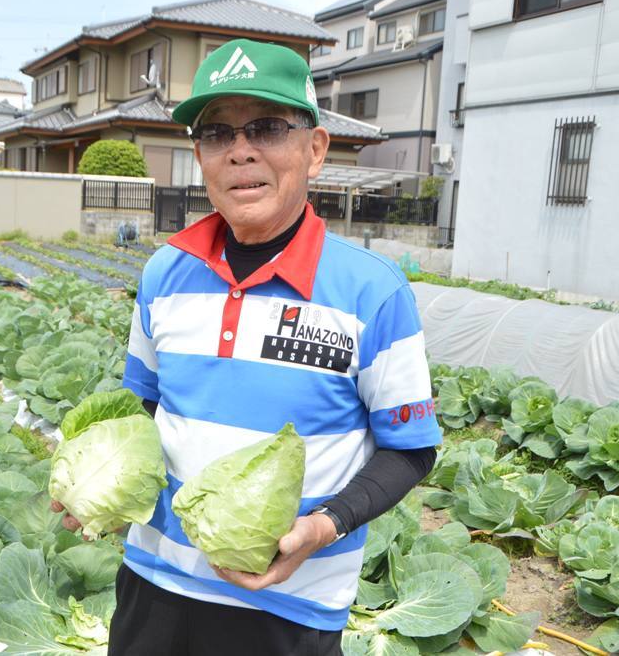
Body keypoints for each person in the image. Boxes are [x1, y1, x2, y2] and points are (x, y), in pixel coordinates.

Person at [51, 38, 441, 655]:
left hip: (289, 611)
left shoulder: (373, 292)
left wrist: (324, 525)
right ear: (199, 154)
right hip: (153, 588)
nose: (240, 151)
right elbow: (138, 411)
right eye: (216, 133)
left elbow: (411, 450)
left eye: (265, 127)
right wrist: (97, 479)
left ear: (314, 150)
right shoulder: (164, 274)